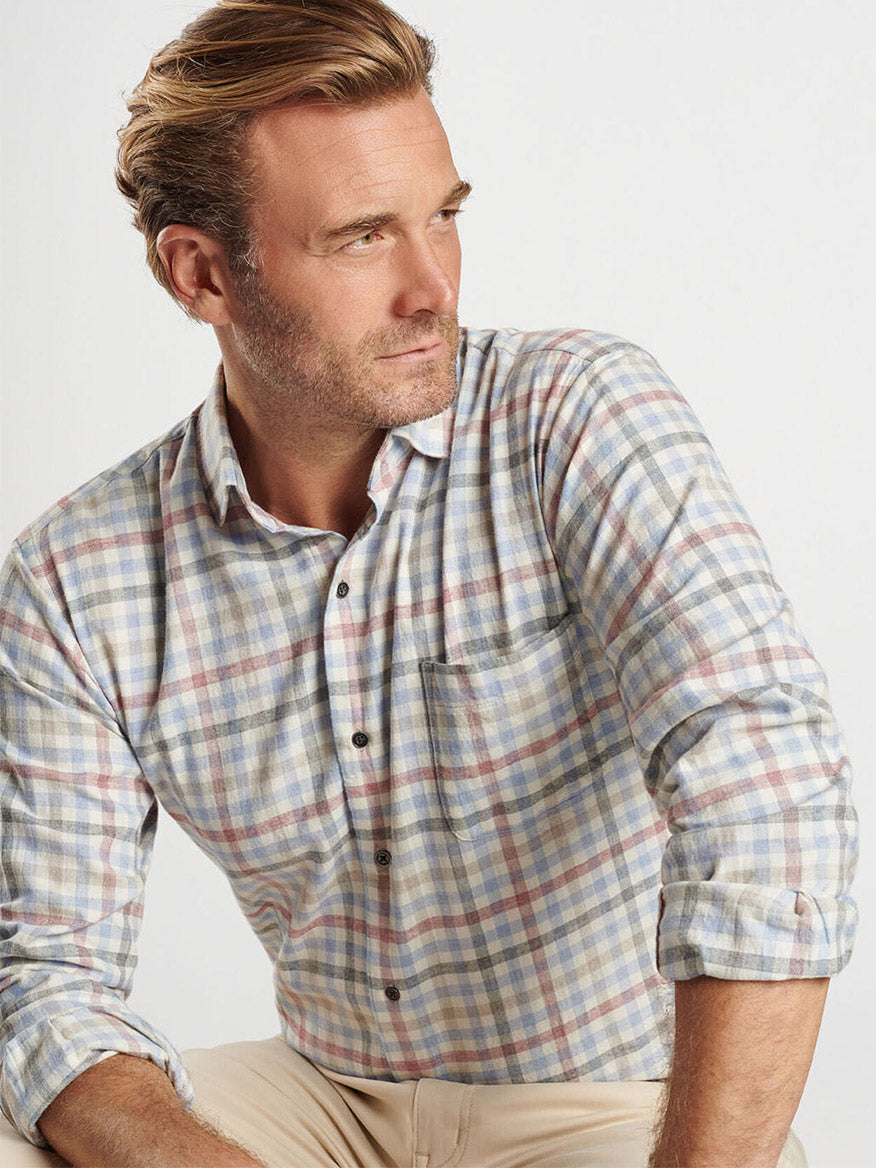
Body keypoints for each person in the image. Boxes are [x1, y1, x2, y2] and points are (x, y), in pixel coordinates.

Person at [0, 1, 858, 1165]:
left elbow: (765, 795)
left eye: (442, 218)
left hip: (609, 1101)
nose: (433, 287)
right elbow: (44, 977)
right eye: (361, 238)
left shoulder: (577, 416)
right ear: (201, 274)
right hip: (324, 1098)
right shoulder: (79, 577)